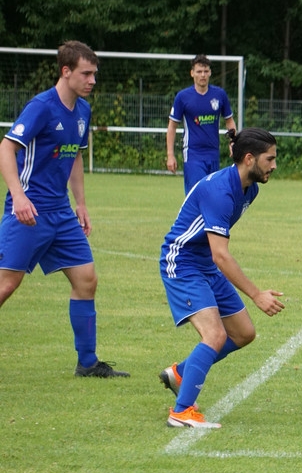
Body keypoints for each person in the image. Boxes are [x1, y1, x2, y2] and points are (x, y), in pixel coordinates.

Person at [0, 41, 128, 379]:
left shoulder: (82, 110)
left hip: (61, 213)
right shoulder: (41, 107)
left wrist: (81, 203)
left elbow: (75, 155)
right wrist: (19, 196)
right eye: (86, 74)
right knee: (6, 285)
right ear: (66, 71)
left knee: (86, 280)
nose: (92, 80)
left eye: (94, 74)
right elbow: (6, 147)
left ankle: (87, 363)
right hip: (28, 212)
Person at [158, 128, 283, 428]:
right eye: (270, 159)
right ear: (249, 158)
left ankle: (180, 374)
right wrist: (256, 294)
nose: (274, 166)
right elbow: (221, 255)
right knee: (214, 335)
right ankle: (182, 411)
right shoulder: (220, 192)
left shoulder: (249, 188)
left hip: (204, 265)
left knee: (243, 333)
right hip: (183, 263)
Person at [166, 54, 237, 195]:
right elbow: (172, 126)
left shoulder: (219, 95)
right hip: (193, 153)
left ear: (210, 72)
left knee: (212, 196)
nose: (202, 75)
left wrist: (234, 142)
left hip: (213, 153)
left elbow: (229, 121)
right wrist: (170, 155)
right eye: (199, 71)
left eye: (205, 71)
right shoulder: (183, 97)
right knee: (196, 195)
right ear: (192, 73)